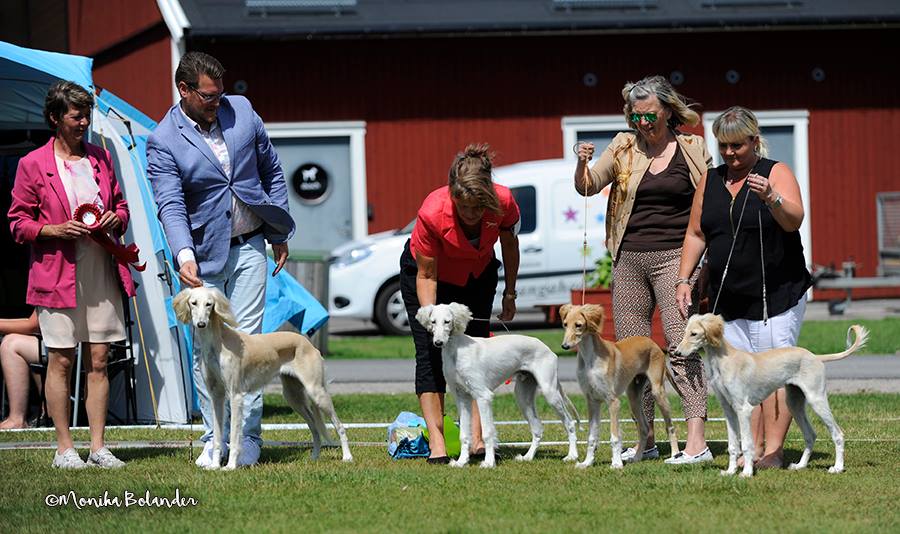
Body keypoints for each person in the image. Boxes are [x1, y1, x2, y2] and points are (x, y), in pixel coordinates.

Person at [147, 51, 295, 468]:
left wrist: (278, 231)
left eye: (221, 93)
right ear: (185, 90)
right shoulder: (163, 139)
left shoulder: (243, 111)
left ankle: (247, 437)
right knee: (206, 350)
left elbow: (271, 170)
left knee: (245, 343)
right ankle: (214, 438)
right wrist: (183, 253)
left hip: (250, 245)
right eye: (209, 96)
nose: (218, 101)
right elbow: (170, 203)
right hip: (202, 257)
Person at [574, 75, 712, 464]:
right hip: (628, 258)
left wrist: (705, 259)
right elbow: (588, 186)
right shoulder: (622, 146)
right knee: (632, 353)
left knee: (680, 343)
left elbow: (710, 198)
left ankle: (696, 442)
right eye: (636, 117)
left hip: (675, 257)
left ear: (667, 111)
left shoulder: (692, 147)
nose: (643, 124)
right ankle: (646, 441)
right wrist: (581, 162)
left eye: (650, 116)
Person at [676, 106, 812, 470]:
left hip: (777, 293)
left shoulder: (775, 172)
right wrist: (683, 279)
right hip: (729, 295)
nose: (730, 153)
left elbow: (793, 220)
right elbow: (696, 233)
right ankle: (750, 450)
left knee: (774, 372)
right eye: (723, 146)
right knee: (739, 377)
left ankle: (773, 452)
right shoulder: (711, 179)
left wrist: (772, 197)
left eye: (737, 146)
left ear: (754, 141)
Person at [8, 80, 135, 468]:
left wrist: (117, 218)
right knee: (60, 361)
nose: (83, 123)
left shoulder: (100, 158)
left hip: (101, 270)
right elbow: (17, 223)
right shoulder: (32, 164)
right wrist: (54, 230)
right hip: (56, 274)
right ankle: (65, 448)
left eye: (86, 116)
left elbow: (123, 208)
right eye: (76, 116)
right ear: (55, 118)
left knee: (99, 359)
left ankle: (98, 448)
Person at [401, 144, 520, 464]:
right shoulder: (431, 211)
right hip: (428, 276)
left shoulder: (504, 201)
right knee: (430, 352)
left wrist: (510, 292)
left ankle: (477, 440)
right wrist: (431, 319)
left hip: (477, 274)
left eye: (477, 208)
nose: (470, 214)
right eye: (463, 207)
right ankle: (437, 442)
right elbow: (426, 275)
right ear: (453, 194)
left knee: (476, 352)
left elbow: (509, 243)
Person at [0, 311, 42, 429]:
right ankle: (46, 410)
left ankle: (17, 419)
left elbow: (33, 325)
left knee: (10, 344)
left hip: (70, 348)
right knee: (21, 337)